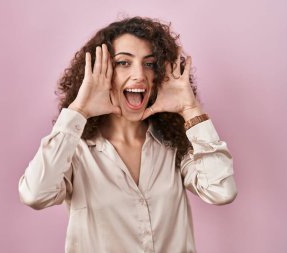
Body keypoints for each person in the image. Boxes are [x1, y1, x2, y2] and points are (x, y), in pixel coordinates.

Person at [18, 16, 237, 253]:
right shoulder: (75, 150)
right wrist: (79, 109)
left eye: (150, 64)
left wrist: (190, 109)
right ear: (100, 72)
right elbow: (34, 194)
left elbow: (221, 190)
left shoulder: (173, 145)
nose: (139, 75)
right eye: (123, 63)